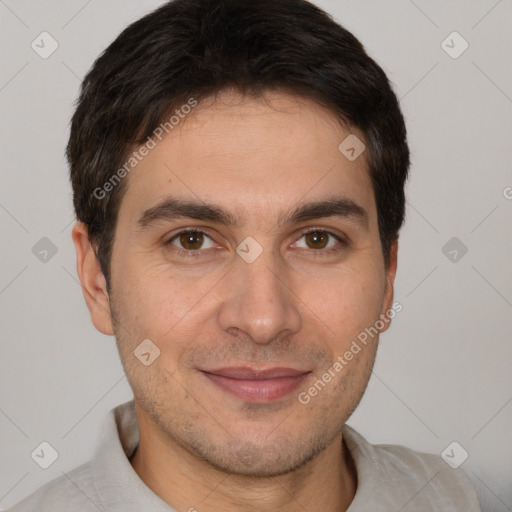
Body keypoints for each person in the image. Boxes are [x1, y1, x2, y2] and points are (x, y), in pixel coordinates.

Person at [9, 0, 481, 510]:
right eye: (192, 240)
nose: (263, 319)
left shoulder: (455, 498)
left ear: (387, 277)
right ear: (96, 279)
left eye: (318, 239)